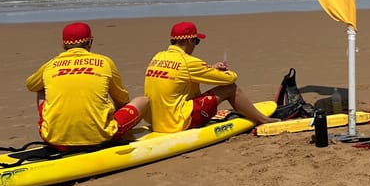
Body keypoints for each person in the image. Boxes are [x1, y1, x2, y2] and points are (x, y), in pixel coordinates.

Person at [25, 22, 148, 149]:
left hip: (54, 140)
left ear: (63, 44)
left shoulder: (50, 65)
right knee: (143, 101)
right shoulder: (105, 62)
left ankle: (58, 129)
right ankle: (116, 132)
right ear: (90, 42)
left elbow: (31, 85)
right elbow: (121, 100)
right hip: (102, 138)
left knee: (40, 89)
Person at [143, 21, 277, 132]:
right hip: (175, 123)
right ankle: (263, 120)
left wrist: (211, 68)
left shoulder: (157, 57)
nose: (195, 46)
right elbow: (230, 79)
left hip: (156, 122)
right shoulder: (188, 61)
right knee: (230, 88)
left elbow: (180, 75)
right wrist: (225, 72)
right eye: (196, 41)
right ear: (190, 40)